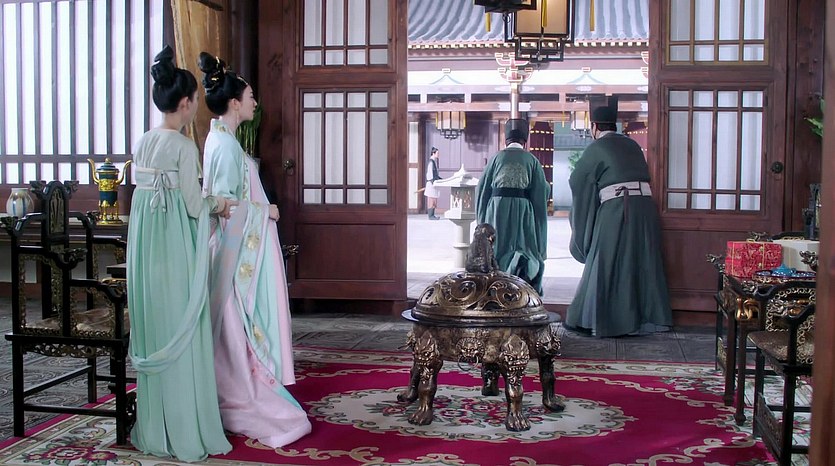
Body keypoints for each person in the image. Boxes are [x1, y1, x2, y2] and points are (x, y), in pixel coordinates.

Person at [198, 52, 312, 448]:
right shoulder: (226, 146)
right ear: (234, 103)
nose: (254, 103)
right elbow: (224, 206)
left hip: (230, 245)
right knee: (234, 326)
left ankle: (230, 384)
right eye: (249, 97)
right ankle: (240, 391)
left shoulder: (220, 139)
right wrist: (268, 211)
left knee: (228, 329)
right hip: (233, 249)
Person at [126, 45, 234, 462]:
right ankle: (186, 428)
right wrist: (220, 204)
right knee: (183, 324)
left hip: (146, 249)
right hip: (174, 248)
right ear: (186, 103)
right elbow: (193, 204)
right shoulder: (184, 148)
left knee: (157, 321)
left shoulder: (143, 142)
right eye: (194, 101)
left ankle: (156, 427)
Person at [566, 106, 672, 337]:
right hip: (645, 208)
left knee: (607, 260)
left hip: (617, 208)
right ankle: (647, 318)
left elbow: (578, 181)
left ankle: (607, 321)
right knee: (641, 260)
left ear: (594, 127)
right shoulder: (632, 145)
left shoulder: (597, 147)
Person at [475, 118, 549, 295]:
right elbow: (541, 192)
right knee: (524, 248)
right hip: (523, 211)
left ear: (505, 140)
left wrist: (482, 220)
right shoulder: (532, 160)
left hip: (496, 209)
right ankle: (521, 290)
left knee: (496, 248)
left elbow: (481, 189)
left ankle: (493, 290)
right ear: (525, 141)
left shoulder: (496, 158)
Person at [424, 146, 442, 220]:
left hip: (434, 182)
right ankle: (430, 216)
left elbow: (435, 174)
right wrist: (432, 181)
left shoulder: (434, 161)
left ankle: (433, 215)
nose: (438, 154)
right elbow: (429, 173)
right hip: (431, 183)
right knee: (431, 200)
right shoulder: (431, 162)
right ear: (433, 153)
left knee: (434, 199)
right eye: (437, 153)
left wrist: (440, 179)